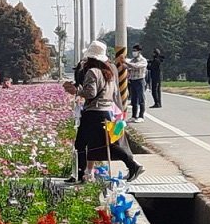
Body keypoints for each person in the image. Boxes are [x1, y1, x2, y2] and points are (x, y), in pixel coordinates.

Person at [63, 53, 145, 184]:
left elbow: (91, 93)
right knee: (103, 143)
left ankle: (132, 164)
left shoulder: (92, 72)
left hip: (93, 113)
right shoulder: (109, 72)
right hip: (106, 112)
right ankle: (81, 174)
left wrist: (76, 90)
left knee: (83, 144)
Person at [125, 44, 148, 122]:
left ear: (139, 51)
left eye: (135, 51)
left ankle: (141, 116)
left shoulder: (143, 60)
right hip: (133, 81)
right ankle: (134, 116)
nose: (133, 52)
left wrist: (126, 63)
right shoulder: (132, 60)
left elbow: (136, 66)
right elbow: (127, 67)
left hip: (140, 80)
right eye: (133, 50)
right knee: (134, 99)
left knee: (141, 99)